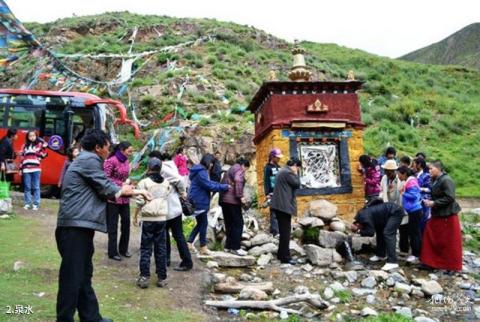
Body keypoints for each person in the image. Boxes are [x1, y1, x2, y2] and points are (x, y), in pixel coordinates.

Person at [56, 129, 149, 322]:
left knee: (83, 274)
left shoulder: (87, 159)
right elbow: (106, 186)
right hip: (74, 227)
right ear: (98, 148)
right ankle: (64, 318)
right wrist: (134, 192)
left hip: (78, 226)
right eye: (107, 147)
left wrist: (128, 189)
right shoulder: (89, 160)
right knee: (72, 277)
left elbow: (104, 184)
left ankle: (91, 317)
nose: (109, 151)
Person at [150, 150, 193, 271]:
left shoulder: (163, 169)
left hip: (170, 208)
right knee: (168, 235)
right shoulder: (168, 166)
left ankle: (186, 262)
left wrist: (182, 193)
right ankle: (167, 259)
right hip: (170, 208)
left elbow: (179, 180)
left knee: (176, 235)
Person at [133, 158, 172, 288]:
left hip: (148, 219)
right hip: (161, 218)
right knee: (161, 248)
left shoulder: (144, 183)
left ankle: (144, 277)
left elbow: (139, 201)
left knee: (146, 248)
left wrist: (135, 215)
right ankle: (162, 278)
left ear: (149, 167)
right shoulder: (166, 182)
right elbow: (167, 195)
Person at [421, 160, 462, 272]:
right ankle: (430, 262)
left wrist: (434, 203)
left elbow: (450, 197)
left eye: (431, 169)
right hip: (437, 214)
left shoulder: (446, 180)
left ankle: (451, 266)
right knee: (431, 236)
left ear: (438, 169)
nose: (429, 171)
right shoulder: (434, 180)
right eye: (428, 169)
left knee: (449, 242)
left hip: (448, 215)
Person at [187, 154, 229, 255]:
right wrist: (224, 187)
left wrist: (220, 185)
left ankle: (189, 242)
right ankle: (203, 247)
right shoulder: (202, 172)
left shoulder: (198, 170)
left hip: (197, 199)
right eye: (211, 163)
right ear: (208, 162)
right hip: (199, 201)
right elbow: (209, 185)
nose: (211, 166)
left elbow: (208, 183)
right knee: (203, 223)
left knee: (201, 223)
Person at [351, 198, 405, 271]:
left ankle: (392, 262)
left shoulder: (364, 218)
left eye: (358, 227)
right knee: (379, 231)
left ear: (357, 224)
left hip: (395, 212)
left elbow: (370, 233)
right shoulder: (361, 216)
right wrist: (359, 230)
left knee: (388, 233)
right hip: (385, 215)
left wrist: (358, 231)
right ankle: (381, 254)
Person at [103, 141, 134, 261]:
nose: (131, 153)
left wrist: (129, 183)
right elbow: (106, 178)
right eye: (129, 151)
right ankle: (112, 251)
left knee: (126, 224)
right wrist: (122, 184)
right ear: (122, 149)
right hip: (113, 198)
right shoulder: (111, 161)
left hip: (125, 198)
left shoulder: (126, 160)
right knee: (113, 226)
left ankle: (123, 249)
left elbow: (125, 177)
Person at [271, 157, 301, 264]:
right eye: (298, 167)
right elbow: (297, 183)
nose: (297, 170)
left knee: (284, 231)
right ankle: (285, 257)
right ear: (295, 165)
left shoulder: (282, 171)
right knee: (285, 233)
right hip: (283, 206)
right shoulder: (288, 172)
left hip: (279, 205)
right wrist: (296, 173)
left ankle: (281, 254)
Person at [220, 158, 250, 256]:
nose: (245, 171)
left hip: (224, 200)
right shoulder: (239, 169)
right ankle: (236, 247)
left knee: (229, 224)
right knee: (238, 223)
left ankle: (228, 247)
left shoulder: (230, 169)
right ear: (243, 165)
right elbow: (238, 180)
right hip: (232, 201)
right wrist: (240, 196)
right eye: (246, 169)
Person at [397, 165, 423, 264]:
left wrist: (403, 193)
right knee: (412, 232)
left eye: (399, 174)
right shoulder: (408, 181)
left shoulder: (411, 182)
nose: (398, 177)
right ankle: (414, 253)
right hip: (411, 211)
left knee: (415, 233)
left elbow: (414, 195)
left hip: (415, 210)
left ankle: (416, 254)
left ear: (404, 174)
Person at [20, 130, 47, 211]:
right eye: (30, 136)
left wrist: (43, 149)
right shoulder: (24, 146)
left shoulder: (39, 145)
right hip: (26, 169)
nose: (32, 137)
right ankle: (27, 203)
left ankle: (36, 204)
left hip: (36, 168)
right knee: (27, 187)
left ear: (36, 136)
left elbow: (43, 155)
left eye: (34, 136)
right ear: (28, 137)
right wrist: (20, 169)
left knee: (36, 187)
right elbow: (22, 158)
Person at [263, 148, 283, 237]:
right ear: (272, 157)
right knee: (274, 212)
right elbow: (266, 181)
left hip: (280, 192)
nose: (279, 159)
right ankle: (275, 232)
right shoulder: (268, 168)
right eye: (277, 157)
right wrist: (267, 193)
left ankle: (277, 229)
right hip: (272, 193)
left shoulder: (279, 167)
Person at [412, 157, 431, 233]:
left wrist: (419, 189)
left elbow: (430, 189)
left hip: (422, 205)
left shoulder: (426, 176)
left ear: (419, 165)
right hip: (414, 204)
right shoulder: (414, 175)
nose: (412, 166)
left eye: (414, 164)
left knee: (422, 225)